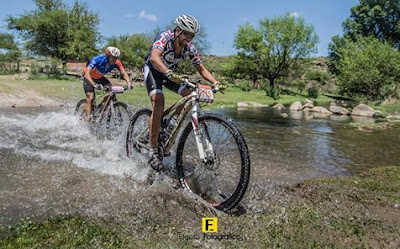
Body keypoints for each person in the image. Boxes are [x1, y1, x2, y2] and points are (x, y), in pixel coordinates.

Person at [143, 14, 226, 171]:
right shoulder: (165, 37)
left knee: (189, 95)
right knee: (159, 103)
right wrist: (167, 72)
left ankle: (169, 126)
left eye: (192, 35)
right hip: (153, 72)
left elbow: (201, 68)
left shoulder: (190, 48)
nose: (189, 38)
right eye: (187, 34)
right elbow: (154, 57)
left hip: (170, 75)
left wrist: (215, 82)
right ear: (178, 30)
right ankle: (153, 150)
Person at [83, 46, 132, 119]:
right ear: (107, 56)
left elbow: (124, 73)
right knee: (90, 97)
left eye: (115, 58)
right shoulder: (98, 60)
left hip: (99, 77)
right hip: (89, 77)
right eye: (112, 57)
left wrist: (129, 83)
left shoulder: (117, 63)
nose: (114, 60)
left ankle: (100, 110)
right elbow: (87, 74)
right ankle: (87, 120)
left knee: (112, 93)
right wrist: (94, 84)